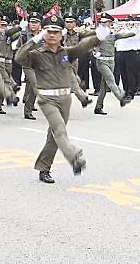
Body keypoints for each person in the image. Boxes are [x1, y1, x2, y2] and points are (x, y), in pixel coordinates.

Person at [15, 15, 113, 183]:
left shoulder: (67, 53)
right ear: (44, 34)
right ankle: (74, 157)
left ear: (61, 35)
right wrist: (35, 39)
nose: (52, 35)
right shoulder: (36, 54)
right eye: (48, 31)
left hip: (65, 99)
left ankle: (43, 168)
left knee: (53, 137)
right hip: (47, 100)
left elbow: (83, 46)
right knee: (60, 130)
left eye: (56, 32)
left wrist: (99, 36)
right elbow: (19, 58)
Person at [93, 12, 135, 115]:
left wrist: (134, 31)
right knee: (111, 80)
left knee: (103, 87)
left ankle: (98, 107)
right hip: (102, 61)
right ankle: (121, 98)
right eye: (102, 22)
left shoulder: (112, 34)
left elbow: (125, 35)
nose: (103, 24)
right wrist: (96, 51)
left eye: (106, 22)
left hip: (111, 61)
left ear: (110, 23)